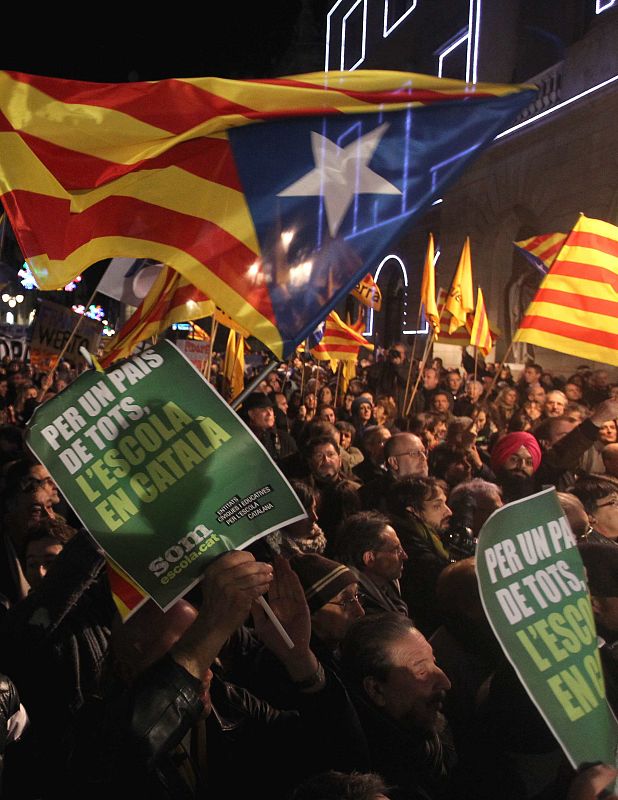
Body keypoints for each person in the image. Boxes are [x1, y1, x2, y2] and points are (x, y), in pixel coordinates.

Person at [70, 552, 369, 798]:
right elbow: (130, 748)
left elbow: (342, 758)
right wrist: (211, 626)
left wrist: (300, 660)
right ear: (125, 669)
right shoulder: (95, 730)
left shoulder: (227, 703)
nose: (206, 666)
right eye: (184, 652)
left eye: (209, 649)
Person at [340, 613, 455, 800]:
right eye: (421, 671)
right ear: (376, 689)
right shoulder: (379, 784)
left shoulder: (432, 737)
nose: (445, 682)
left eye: (434, 662)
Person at [384, 477, 451, 635]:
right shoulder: (411, 549)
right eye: (437, 506)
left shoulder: (427, 538)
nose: (448, 511)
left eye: (445, 503)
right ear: (413, 511)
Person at [334, 511, 409, 616]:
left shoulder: (389, 585)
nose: (405, 556)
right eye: (396, 550)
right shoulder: (364, 610)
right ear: (369, 558)